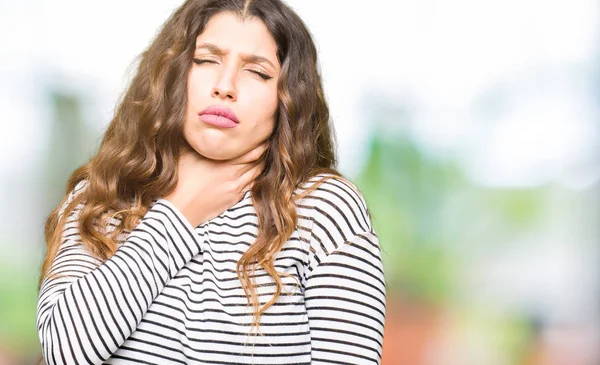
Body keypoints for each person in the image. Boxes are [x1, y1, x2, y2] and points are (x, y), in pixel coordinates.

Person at [36, 0, 387, 364]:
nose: (225, 86)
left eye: (258, 72)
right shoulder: (105, 194)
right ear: (173, 73)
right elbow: (64, 352)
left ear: (287, 100)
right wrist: (179, 210)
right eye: (206, 60)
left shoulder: (323, 209)